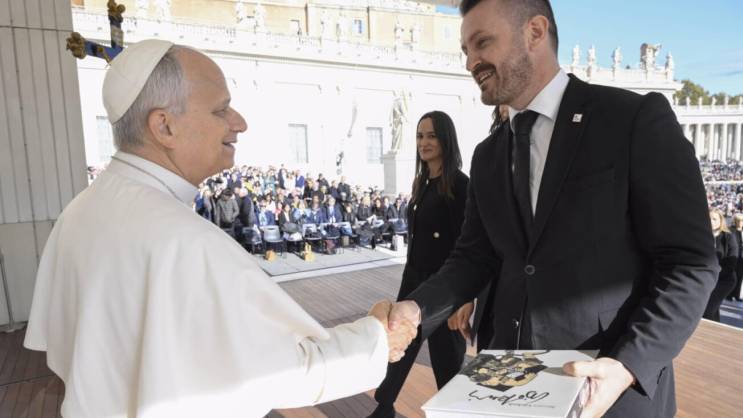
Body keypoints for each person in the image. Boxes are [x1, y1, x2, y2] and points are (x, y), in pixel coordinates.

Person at [23, 40, 416, 418]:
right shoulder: (186, 241)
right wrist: (379, 337)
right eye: (221, 110)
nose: (239, 123)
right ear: (164, 126)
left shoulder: (79, 210)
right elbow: (281, 372)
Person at [383, 2, 718, 418]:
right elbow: (472, 257)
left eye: (482, 43)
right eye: (465, 50)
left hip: (610, 386)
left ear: (536, 32)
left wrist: (628, 365)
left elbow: (690, 263)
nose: (470, 62)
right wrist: (414, 309)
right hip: (510, 386)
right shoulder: (487, 155)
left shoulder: (632, 120)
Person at [369, 111, 469, 418]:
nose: (423, 142)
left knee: (447, 361)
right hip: (414, 280)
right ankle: (383, 408)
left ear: (446, 139)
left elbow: (467, 245)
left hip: (443, 288)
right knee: (399, 348)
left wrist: (463, 299)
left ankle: (454, 414)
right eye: (419, 136)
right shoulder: (422, 182)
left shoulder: (460, 185)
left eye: (431, 136)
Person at [703, 209, 738, 321]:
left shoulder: (728, 236)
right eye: (709, 218)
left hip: (724, 280)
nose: (711, 221)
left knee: (708, 309)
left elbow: (732, 259)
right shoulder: (702, 235)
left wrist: (715, 275)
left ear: (721, 221)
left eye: (714, 219)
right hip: (706, 279)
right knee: (712, 309)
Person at [731, 213, 743, 301]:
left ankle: (737, 295)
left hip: (741, 257)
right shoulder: (731, 231)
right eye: (739, 220)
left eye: (742, 221)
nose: (741, 222)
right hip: (733, 256)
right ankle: (729, 295)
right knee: (732, 275)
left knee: (740, 276)